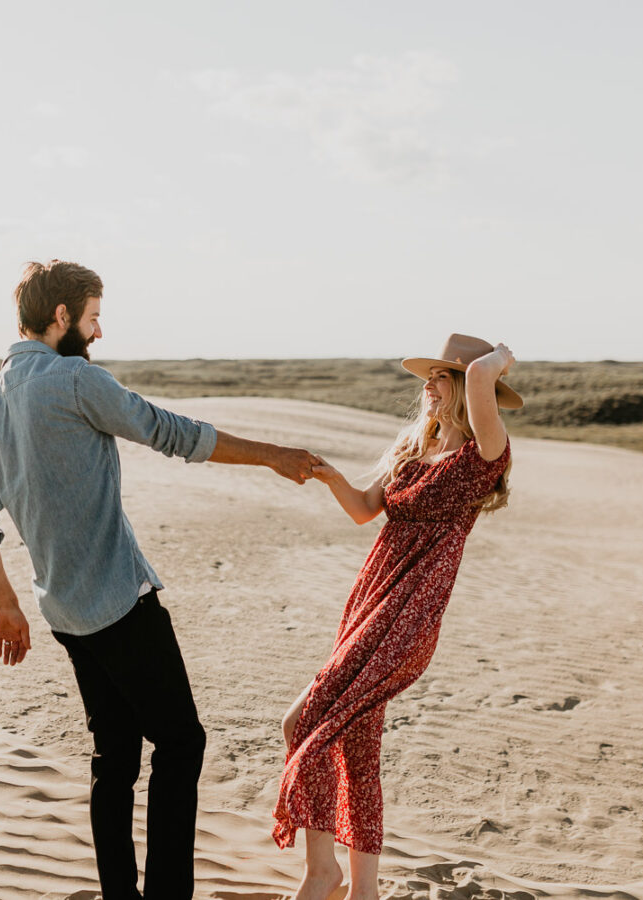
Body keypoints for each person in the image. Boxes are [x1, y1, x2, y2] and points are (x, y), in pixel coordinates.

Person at [0, 259, 320, 900]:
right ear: (61, 316)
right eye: (93, 318)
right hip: (120, 604)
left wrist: (6, 605)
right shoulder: (75, 379)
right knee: (181, 743)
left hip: (63, 613)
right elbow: (169, 432)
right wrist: (272, 456)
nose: (99, 332)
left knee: (115, 760)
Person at [271, 334, 521, 900]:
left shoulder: (484, 455)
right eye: (428, 376)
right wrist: (332, 477)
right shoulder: (414, 446)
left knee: (304, 722)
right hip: (371, 600)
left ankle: (322, 872)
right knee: (356, 746)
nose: (427, 384)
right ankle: (364, 890)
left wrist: (501, 357)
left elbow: (481, 374)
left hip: (411, 612)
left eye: (439, 375)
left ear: (465, 386)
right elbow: (366, 509)